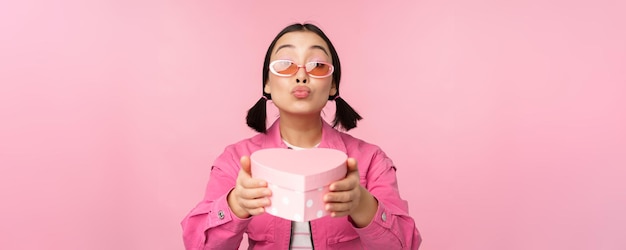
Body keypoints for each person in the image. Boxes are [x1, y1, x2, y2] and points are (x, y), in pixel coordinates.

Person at [181, 23, 421, 250]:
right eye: (285, 64)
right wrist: (236, 204)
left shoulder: (370, 160)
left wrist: (361, 203)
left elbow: (405, 245)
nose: (301, 76)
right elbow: (197, 244)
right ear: (267, 83)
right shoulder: (237, 160)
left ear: (333, 85)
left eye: (317, 65)